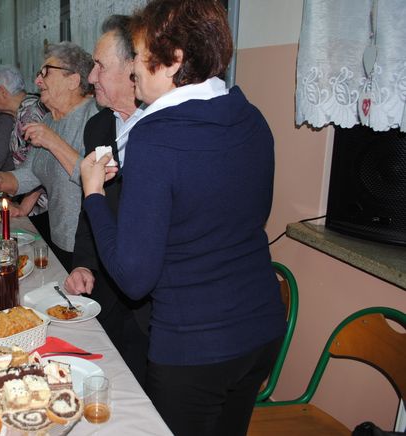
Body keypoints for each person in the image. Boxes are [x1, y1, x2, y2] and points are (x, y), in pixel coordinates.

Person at [80, 1, 287, 435]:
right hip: (261, 330)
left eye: (138, 55)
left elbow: (134, 278)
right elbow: (245, 217)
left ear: (174, 60)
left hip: (196, 347)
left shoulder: (155, 137)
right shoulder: (250, 117)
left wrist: (94, 194)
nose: (133, 68)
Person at [63, 15, 150, 387]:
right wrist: (84, 264)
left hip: (153, 308)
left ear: (133, 68)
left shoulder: (163, 126)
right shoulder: (98, 126)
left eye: (100, 66)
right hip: (107, 293)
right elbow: (93, 203)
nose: (92, 77)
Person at [0, 42, 98, 271]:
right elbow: (29, 174)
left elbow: (96, 179)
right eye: (39, 74)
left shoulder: (95, 117)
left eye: (46, 73)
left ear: (73, 80)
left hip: (89, 250)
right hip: (59, 237)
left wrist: (52, 140)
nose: (38, 81)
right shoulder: (49, 120)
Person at [0, 65, 48, 221]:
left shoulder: (29, 114)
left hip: (43, 208)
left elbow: (42, 167)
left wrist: (24, 207)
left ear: (2, 92)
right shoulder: (22, 111)